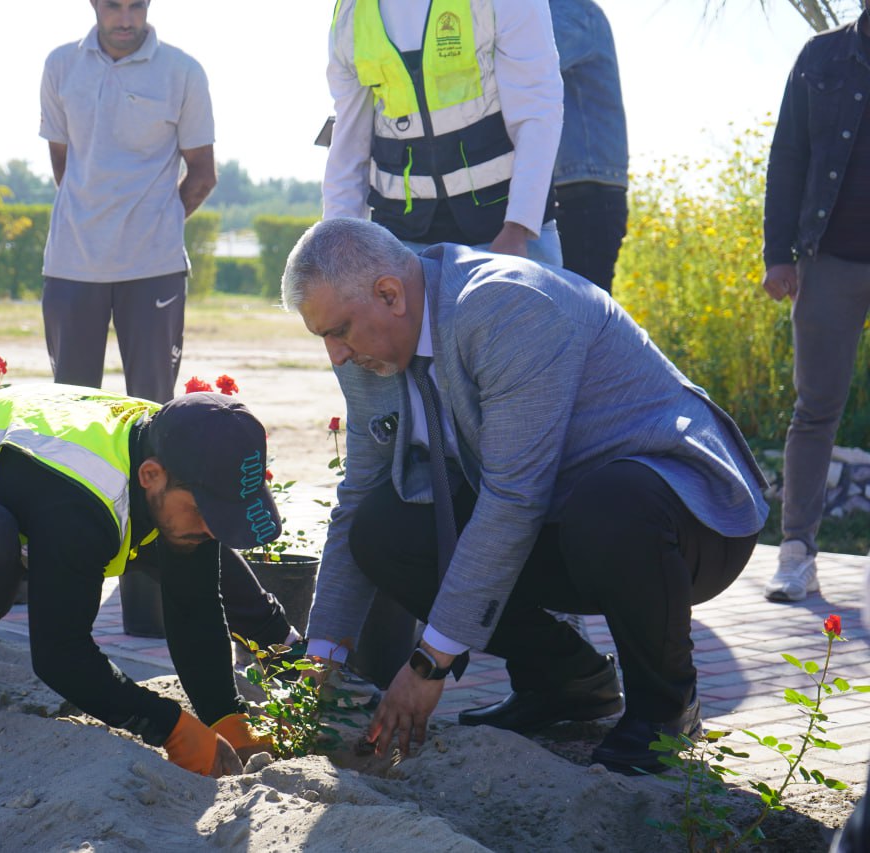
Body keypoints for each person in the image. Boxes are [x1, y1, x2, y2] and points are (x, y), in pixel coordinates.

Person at [283, 218, 768, 775]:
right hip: (569, 518)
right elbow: (358, 496)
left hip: (686, 515)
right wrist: (319, 661)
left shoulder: (505, 305)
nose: (335, 357)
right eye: (322, 336)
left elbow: (513, 498)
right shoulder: (370, 345)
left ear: (389, 294)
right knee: (382, 528)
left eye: (338, 331)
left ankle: (665, 711)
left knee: (609, 505)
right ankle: (567, 684)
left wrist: (427, 665)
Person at [0, 384, 294, 778]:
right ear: (151, 476)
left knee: (194, 549)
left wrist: (224, 717)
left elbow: (194, 606)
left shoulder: (180, 449)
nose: (212, 527)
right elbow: (60, 655)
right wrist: (168, 726)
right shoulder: (80, 495)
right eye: (204, 511)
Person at [38, 0, 217, 405]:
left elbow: (203, 174)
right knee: (71, 406)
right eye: (113, 6)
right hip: (72, 265)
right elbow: (64, 165)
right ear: (94, 5)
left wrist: (157, 220)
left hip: (153, 267)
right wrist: (95, 219)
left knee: (152, 405)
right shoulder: (60, 65)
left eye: (136, 6)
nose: (125, 18)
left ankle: (147, 471)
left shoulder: (183, 71)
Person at [761, 3, 870, 604]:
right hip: (828, 259)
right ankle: (797, 553)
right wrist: (778, 253)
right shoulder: (821, 57)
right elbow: (788, 155)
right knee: (816, 408)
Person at [323, 0, 564, 264]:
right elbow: (348, 145)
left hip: (505, 235)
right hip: (402, 242)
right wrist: (336, 252)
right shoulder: (351, 10)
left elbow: (537, 111)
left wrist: (518, 227)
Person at [548, 0, 628, 293]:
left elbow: (525, 66)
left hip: (583, 194)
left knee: (581, 324)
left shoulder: (570, 11)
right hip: (576, 189)